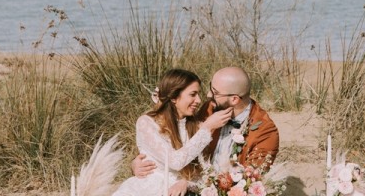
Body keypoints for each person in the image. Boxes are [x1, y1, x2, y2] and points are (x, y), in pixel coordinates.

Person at [133, 66, 279, 178]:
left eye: (215, 92)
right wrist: (136, 163)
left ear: (234, 99)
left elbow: (249, 180)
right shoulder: (209, 108)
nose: (208, 95)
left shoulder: (265, 132)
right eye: (210, 88)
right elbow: (183, 146)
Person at [112, 68, 233, 196]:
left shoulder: (195, 126)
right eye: (193, 94)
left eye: (198, 94)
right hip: (148, 189)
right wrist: (207, 128)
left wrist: (187, 182)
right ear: (174, 97)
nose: (198, 100)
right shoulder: (147, 123)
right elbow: (175, 161)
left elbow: (204, 171)